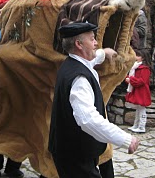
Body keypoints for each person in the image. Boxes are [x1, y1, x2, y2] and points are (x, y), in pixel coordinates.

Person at [48, 22, 139, 177]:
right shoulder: (80, 79)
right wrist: (125, 139)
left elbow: (91, 60)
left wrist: (104, 53)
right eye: (92, 39)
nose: (96, 42)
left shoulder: (72, 62)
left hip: (73, 150)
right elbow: (88, 119)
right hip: (74, 155)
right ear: (79, 44)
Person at [125, 49, 152, 133]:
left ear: (143, 58)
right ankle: (136, 125)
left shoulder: (144, 68)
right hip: (138, 90)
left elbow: (142, 81)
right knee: (138, 108)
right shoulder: (136, 67)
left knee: (141, 108)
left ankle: (141, 126)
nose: (135, 57)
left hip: (142, 91)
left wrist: (131, 80)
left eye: (138, 56)